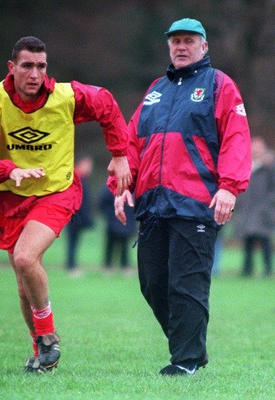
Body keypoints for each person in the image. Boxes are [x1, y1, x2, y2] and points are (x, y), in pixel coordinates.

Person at [0, 36, 131, 373]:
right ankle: (41, 352)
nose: (35, 73)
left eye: (41, 66)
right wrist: (10, 169)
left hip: (55, 190)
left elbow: (106, 104)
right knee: (23, 283)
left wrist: (120, 153)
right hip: (10, 198)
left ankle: (48, 337)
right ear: (12, 67)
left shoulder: (66, 97)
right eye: (27, 66)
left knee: (25, 257)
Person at [109, 18, 251, 376]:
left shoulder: (220, 85)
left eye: (189, 41)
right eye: (175, 42)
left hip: (197, 203)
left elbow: (236, 138)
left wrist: (228, 186)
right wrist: (121, 188)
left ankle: (185, 360)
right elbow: (132, 144)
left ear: (204, 46)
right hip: (153, 206)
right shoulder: (156, 89)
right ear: (168, 47)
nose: (181, 47)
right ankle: (190, 349)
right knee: (153, 284)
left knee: (185, 284)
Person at [234, 136, 274, 277]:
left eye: (258, 147)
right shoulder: (246, 165)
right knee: (248, 242)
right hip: (247, 209)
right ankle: (247, 270)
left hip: (263, 210)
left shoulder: (270, 167)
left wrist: (268, 204)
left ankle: (268, 269)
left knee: (265, 241)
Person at [98, 182, 136, 275]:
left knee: (124, 245)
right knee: (110, 244)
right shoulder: (110, 187)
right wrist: (110, 215)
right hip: (113, 222)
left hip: (126, 222)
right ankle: (108, 266)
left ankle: (125, 266)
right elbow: (102, 202)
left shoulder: (132, 188)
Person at [65, 155, 94, 276]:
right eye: (88, 166)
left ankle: (72, 265)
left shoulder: (82, 179)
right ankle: (71, 267)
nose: (90, 169)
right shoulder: (75, 178)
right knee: (72, 241)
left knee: (74, 242)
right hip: (73, 217)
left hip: (77, 218)